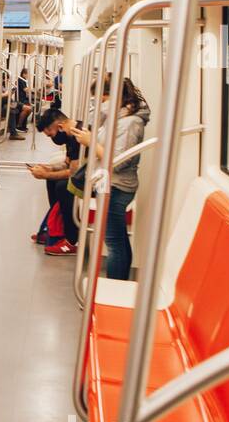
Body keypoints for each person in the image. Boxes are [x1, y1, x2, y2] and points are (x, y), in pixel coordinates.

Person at [72, 78, 151, 280]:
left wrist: (91, 142)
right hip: (108, 182)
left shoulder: (131, 122)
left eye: (102, 98)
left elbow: (118, 161)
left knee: (114, 242)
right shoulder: (117, 118)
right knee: (118, 239)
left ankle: (116, 284)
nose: (100, 102)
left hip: (117, 186)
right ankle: (119, 281)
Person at [30, 107, 85, 255]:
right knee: (52, 181)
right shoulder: (69, 134)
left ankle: (72, 240)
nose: (53, 138)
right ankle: (56, 229)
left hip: (92, 178)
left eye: (51, 134)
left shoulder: (77, 136)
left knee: (63, 187)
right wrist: (49, 169)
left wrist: (46, 175)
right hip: (83, 173)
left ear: (59, 126)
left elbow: (73, 172)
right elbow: (67, 163)